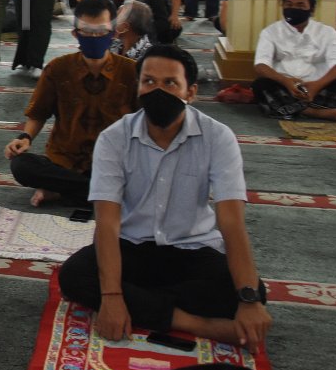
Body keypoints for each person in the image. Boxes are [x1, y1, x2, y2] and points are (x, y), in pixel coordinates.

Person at [59, 45, 273, 353]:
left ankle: (147, 304)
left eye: (170, 83)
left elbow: (231, 221)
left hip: (192, 248)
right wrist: (112, 297)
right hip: (131, 247)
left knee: (251, 291)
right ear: (138, 87)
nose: (157, 90)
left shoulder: (218, 137)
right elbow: (107, 222)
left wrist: (249, 299)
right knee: (75, 276)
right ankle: (196, 324)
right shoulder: (114, 138)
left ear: (191, 91)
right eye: (148, 82)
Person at [4, 0, 137, 207]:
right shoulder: (58, 68)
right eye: (87, 31)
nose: (94, 37)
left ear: (113, 32)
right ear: (76, 33)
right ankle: (102, 193)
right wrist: (25, 138)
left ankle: (62, 191)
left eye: (100, 31)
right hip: (65, 160)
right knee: (21, 166)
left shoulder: (131, 71)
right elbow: (39, 112)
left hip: (113, 161)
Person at [252, 0, 336, 121]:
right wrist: (286, 82)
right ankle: (315, 112)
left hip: (319, 87)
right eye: (289, 4)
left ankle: (289, 109)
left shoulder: (327, 32)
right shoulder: (270, 32)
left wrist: (316, 86)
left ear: (311, 9)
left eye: (300, 5)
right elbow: (261, 65)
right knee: (261, 86)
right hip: (284, 86)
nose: (293, 8)